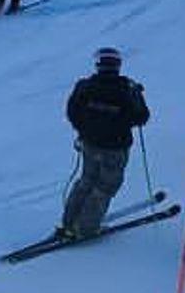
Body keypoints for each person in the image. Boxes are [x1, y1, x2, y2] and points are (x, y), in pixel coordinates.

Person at [60, 47, 150, 240]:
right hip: (115, 148)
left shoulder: (85, 86)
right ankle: (85, 228)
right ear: (118, 65)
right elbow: (141, 117)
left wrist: (83, 130)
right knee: (105, 186)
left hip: (90, 144)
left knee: (86, 180)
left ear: (98, 65)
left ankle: (69, 222)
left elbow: (72, 111)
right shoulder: (127, 89)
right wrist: (137, 97)